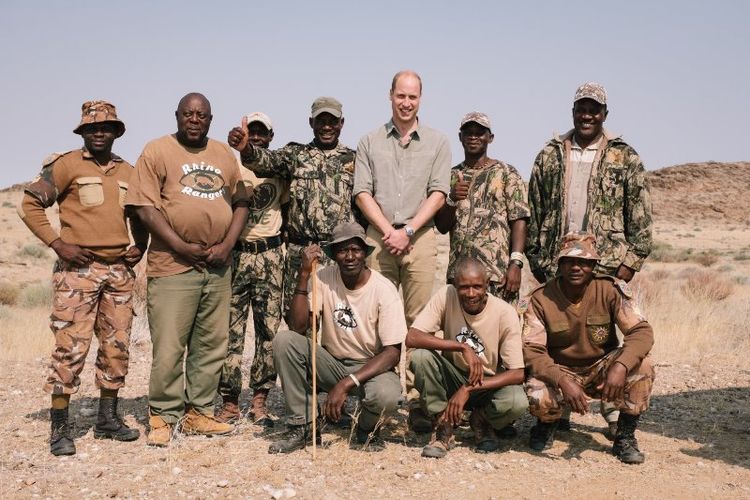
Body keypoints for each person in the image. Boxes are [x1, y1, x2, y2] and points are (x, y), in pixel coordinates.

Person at [18, 100, 147, 456]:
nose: (99, 133)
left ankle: (108, 419)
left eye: (106, 127)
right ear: (83, 132)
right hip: (78, 270)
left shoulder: (129, 171)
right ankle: (60, 428)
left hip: (118, 271)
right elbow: (29, 205)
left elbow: (138, 213)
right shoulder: (65, 165)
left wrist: (141, 245)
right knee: (70, 348)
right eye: (92, 128)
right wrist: (58, 244)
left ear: (117, 132)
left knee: (116, 346)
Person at [526, 81, 653, 433]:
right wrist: (538, 264)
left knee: (607, 336)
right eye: (581, 108)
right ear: (573, 112)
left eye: (594, 109)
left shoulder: (624, 156)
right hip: (558, 264)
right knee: (558, 335)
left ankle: (616, 412)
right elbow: (534, 210)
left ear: (604, 115)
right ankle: (558, 411)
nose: (587, 115)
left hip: (606, 266)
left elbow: (641, 221)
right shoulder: (549, 154)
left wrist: (625, 269)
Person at [126, 93, 248, 446]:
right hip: (173, 265)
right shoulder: (157, 151)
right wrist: (181, 246)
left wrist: (227, 245)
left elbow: (241, 201)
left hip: (217, 265)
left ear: (210, 120)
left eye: (202, 115)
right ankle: (163, 415)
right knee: (169, 345)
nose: (194, 120)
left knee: (210, 344)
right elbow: (144, 208)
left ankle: (199, 413)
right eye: (188, 114)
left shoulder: (224, 153)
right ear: (177, 116)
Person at [353, 70, 451, 432]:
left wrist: (407, 230)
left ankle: (422, 402)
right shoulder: (369, 141)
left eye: (413, 97)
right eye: (400, 96)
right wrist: (387, 231)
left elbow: (439, 192)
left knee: (420, 322)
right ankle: (379, 398)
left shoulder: (438, 142)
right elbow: (362, 192)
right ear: (390, 96)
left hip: (420, 237)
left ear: (420, 99)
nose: (406, 103)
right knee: (377, 321)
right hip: (378, 237)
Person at [269, 222, 405, 454]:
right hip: (332, 363)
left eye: (356, 250)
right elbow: (297, 326)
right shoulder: (323, 278)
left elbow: (393, 353)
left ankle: (365, 429)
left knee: (387, 396)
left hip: (370, 367)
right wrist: (303, 275)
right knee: (284, 341)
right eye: (342, 250)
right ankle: (304, 425)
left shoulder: (384, 288)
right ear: (334, 255)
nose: (350, 256)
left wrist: (346, 383)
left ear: (365, 254)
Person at [521, 232, 655, 464]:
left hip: (601, 368)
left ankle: (625, 436)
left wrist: (621, 366)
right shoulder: (540, 299)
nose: (576, 267)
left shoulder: (609, 290)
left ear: (593, 265)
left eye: (583, 262)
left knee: (642, 365)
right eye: (570, 261)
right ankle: (547, 424)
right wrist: (562, 381)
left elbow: (641, 332)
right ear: (560, 264)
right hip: (560, 370)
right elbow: (532, 351)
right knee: (537, 389)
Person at [228, 97, 356, 315]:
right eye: (320, 120)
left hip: (337, 253)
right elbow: (266, 161)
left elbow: (363, 204)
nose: (326, 126)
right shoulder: (295, 155)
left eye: (332, 121)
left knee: (337, 317)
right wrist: (246, 149)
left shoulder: (353, 160)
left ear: (341, 123)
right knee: (297, 317)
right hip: (301, 253)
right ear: (311, 123)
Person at [406, 257, 528, 458]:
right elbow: (412, 336)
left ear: (487, 285)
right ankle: (443, 424)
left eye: (477, 287)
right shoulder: (446, 295)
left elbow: (517, 373)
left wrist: (468, 388)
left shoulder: (505, 312)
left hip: (486, 384)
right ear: (454, 285)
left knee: (517, 401)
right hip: (453, 376)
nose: (471, 294)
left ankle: (481, 419)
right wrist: (461, 347)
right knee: (420, 357)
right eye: (464, 287)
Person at [215, 112, 288, 427]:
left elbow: (286, 209)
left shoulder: (278, 172)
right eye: (252, 132)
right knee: (230, 330)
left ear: (270, 138)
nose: (256, 138)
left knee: (268, 332)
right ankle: (229, 401)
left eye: (262, 133)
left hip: (270, 255)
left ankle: (260, 400)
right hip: (237, 255)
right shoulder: (230, 169)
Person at [435, 112, 529, 303]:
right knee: (460, 332)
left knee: (500, 329)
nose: (473, 137)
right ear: (460, 137)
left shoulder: (506, 173)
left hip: (497, 275)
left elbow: (519, 220)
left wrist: (516, 264)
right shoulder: (451, 176)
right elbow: (442, 226)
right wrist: (452, 199)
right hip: (459, 277)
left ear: (490, 138)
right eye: (468, 133)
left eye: (480, 133)